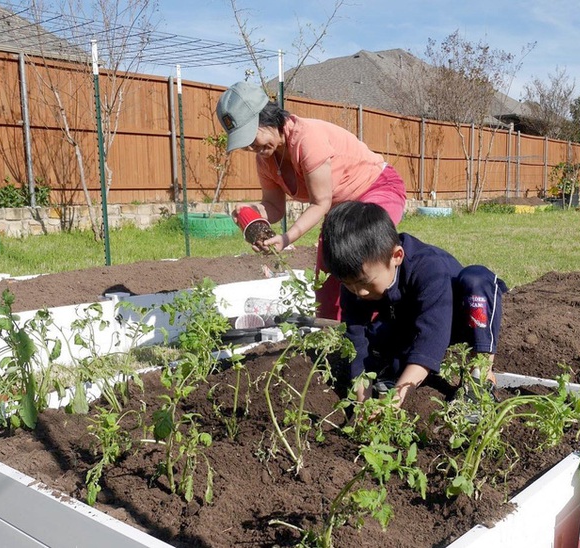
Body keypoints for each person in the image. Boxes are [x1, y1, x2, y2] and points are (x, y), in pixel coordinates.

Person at [216, 81, 407, 320]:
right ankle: (331, 341)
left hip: (376, 187)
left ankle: (389, 323)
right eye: (245, 143)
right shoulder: (265, 158)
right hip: (341, 208)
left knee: (363, 251)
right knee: (327, 285)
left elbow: (320, 203)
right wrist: (251, 213)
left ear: (267, 117)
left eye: (251, 136)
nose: (251, 147)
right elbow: (274, 207)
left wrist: (286, 238)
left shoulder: (306, 138)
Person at [320, 201, 508, 408]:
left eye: (364, 283)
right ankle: (394, 370)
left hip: (456, 319)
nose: (359, 292)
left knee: (477, 280)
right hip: (411, 320)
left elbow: (431, 339)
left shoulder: (428, 267)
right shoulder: (356, 281)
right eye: (348, 284)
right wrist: (363, 403)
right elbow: (356, 343)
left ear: (396, 256)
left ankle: (480, 377)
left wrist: (396, 399)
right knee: (376, 341)